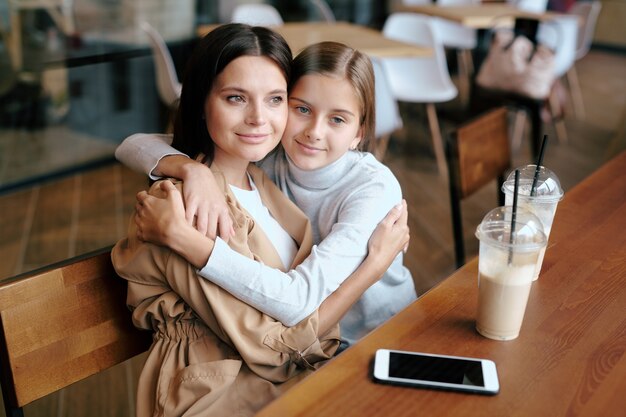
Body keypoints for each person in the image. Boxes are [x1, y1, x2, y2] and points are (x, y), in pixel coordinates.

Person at [111, 25, 409, 417]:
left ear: (359, 132)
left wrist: (191, 170)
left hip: (332, 353)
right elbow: (275, 348)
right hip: (221, 387)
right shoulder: (185, 208)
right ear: (201, 102)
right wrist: (192, 173)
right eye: (236, 98)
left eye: (274, 100)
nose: (258, 119)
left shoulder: (263, 173)